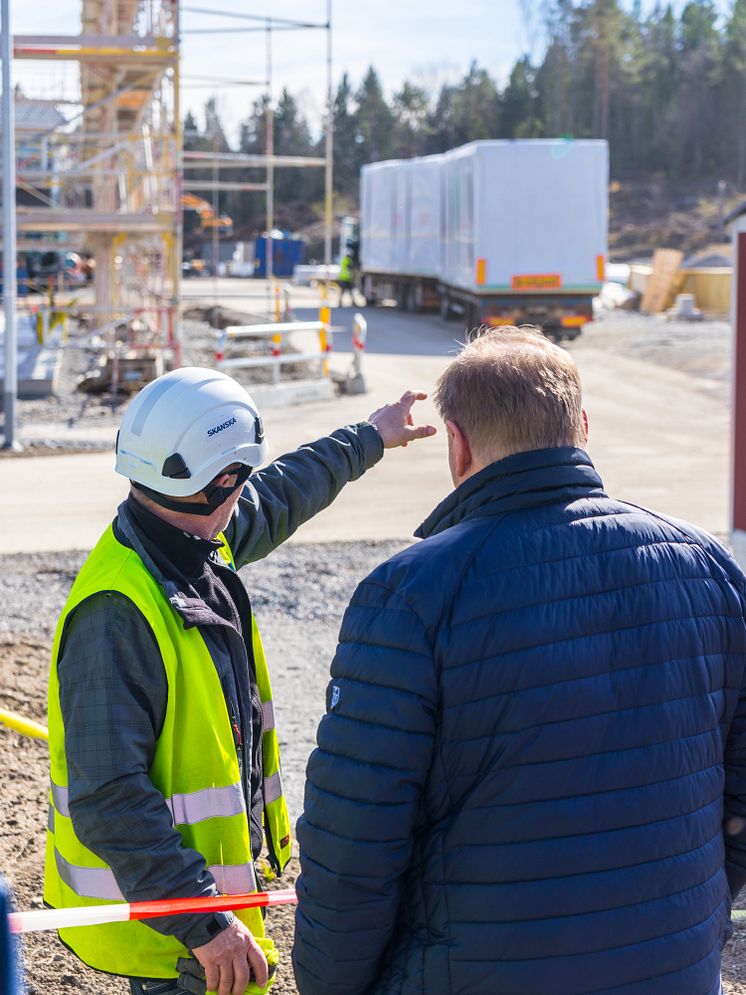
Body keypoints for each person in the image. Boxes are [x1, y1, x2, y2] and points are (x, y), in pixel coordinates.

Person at [294, 325, 746, 995]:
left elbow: (355, 837)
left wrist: (330, 982)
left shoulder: (411, 595)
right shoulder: (707, 567)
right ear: (582, 427)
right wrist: (695, 909)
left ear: (458, 444)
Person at [43, 367, 436, 995]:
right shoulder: (117, 614)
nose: (246, 491)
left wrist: (370, 437)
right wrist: (205, 922)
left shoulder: (186, 539)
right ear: (219, 482)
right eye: (240, 476)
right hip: (169, 940)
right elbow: (108, 797)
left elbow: (280, 493)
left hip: (193, 917)